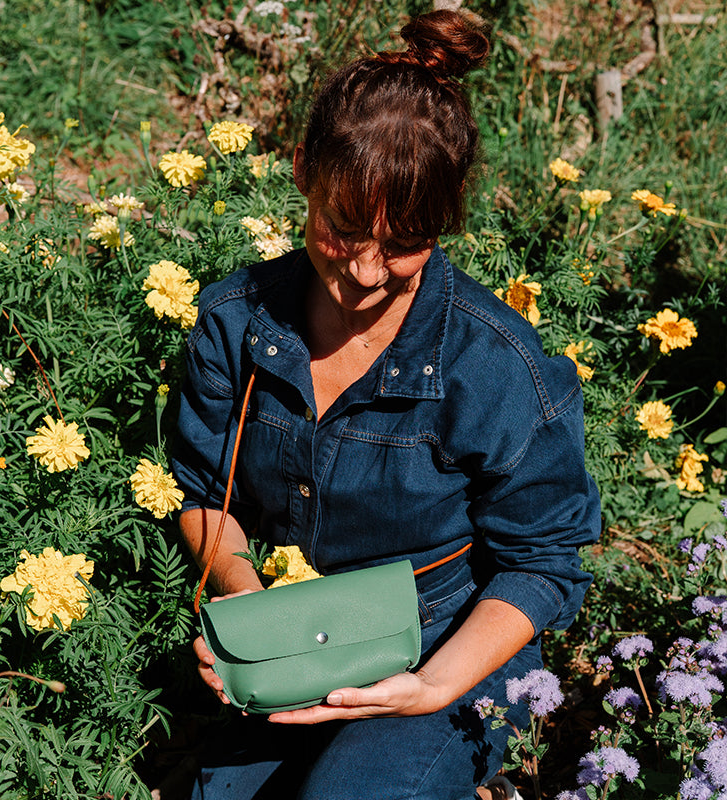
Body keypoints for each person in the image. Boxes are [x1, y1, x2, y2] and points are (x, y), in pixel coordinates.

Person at [172, 9, 601, 799]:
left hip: (454, 642)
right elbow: (201, 495)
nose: (367, 273)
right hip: (299, 636)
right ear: (303, 170)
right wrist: (253, 618)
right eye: (341, 230)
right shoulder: (237, 323)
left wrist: (436, 685)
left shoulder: (493, 364)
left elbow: (544, 561)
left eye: (404, 242)